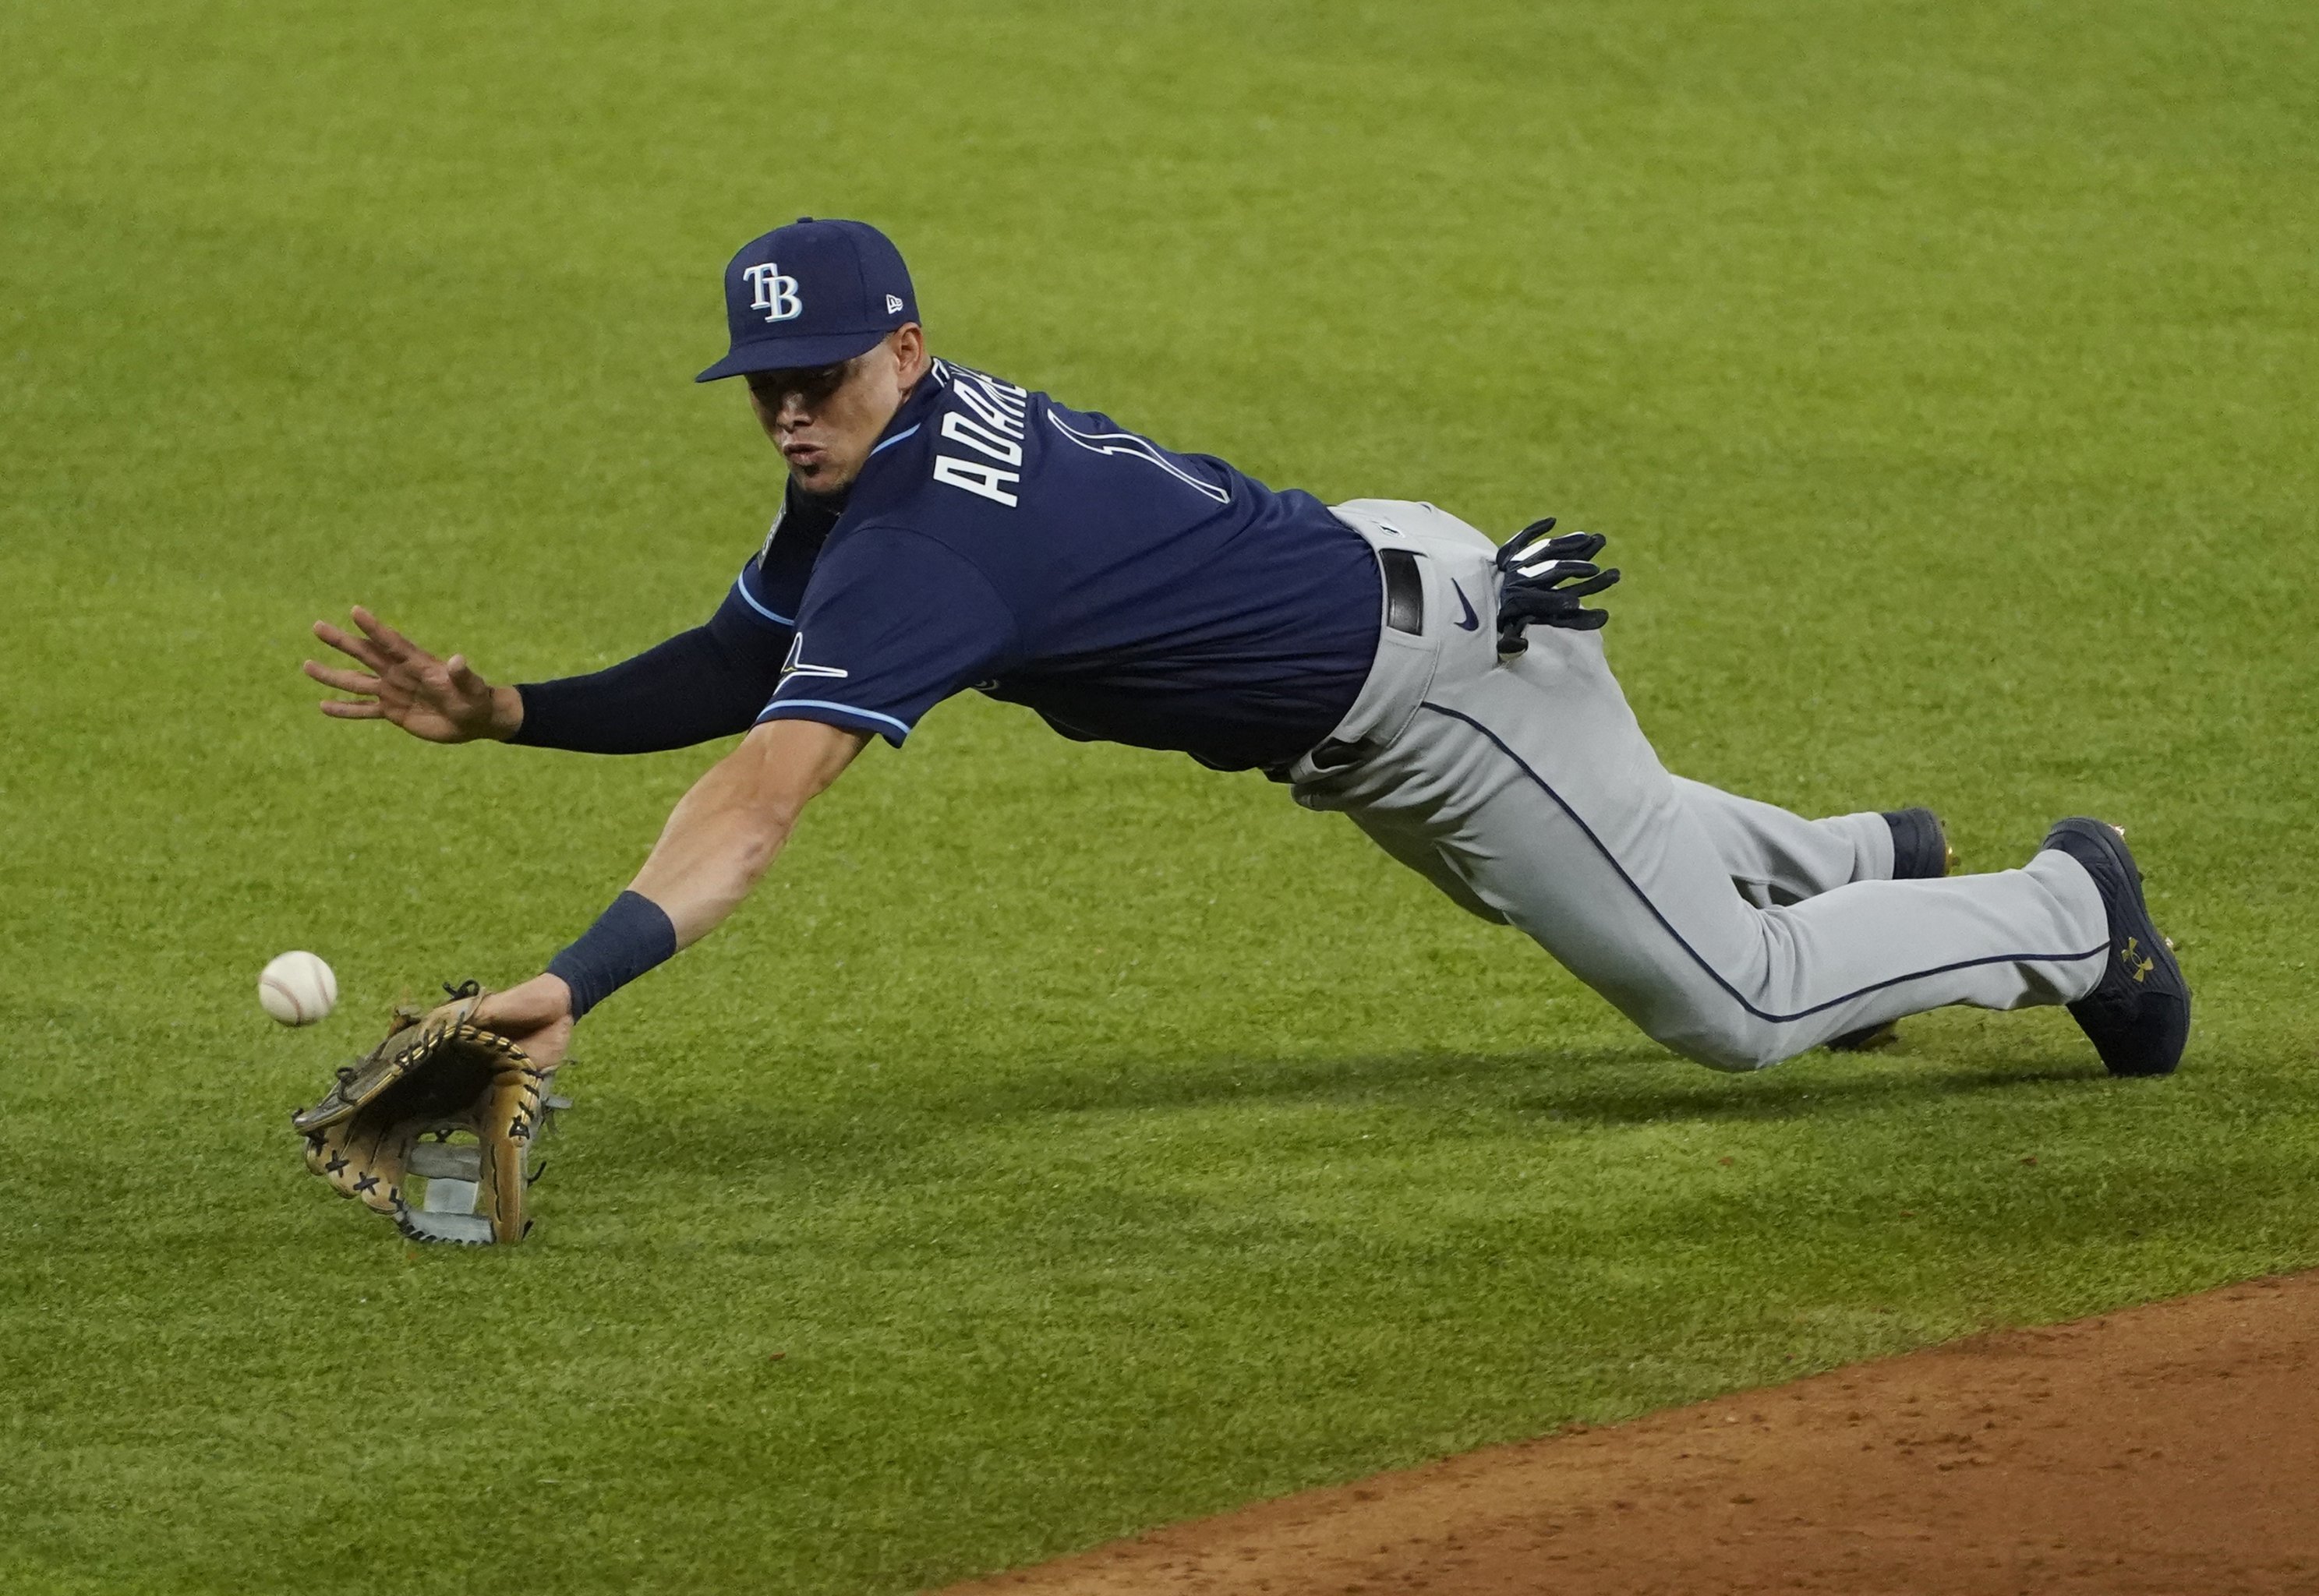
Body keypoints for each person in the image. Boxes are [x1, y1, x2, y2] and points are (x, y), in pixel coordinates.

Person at [303, 217, 2189, 1084]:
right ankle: (1870, 859)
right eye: (763, 390)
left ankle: (2067, 911)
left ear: (905, 347)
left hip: (1441, 684)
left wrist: (582, 975)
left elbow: (762, 793)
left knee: (1745, 1008)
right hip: (1378, 606)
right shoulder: (887, 459)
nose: (789, 418)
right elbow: (745, 659)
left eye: (819, 382)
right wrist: (519, 714)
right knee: (1589, 871)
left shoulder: (927, 539)